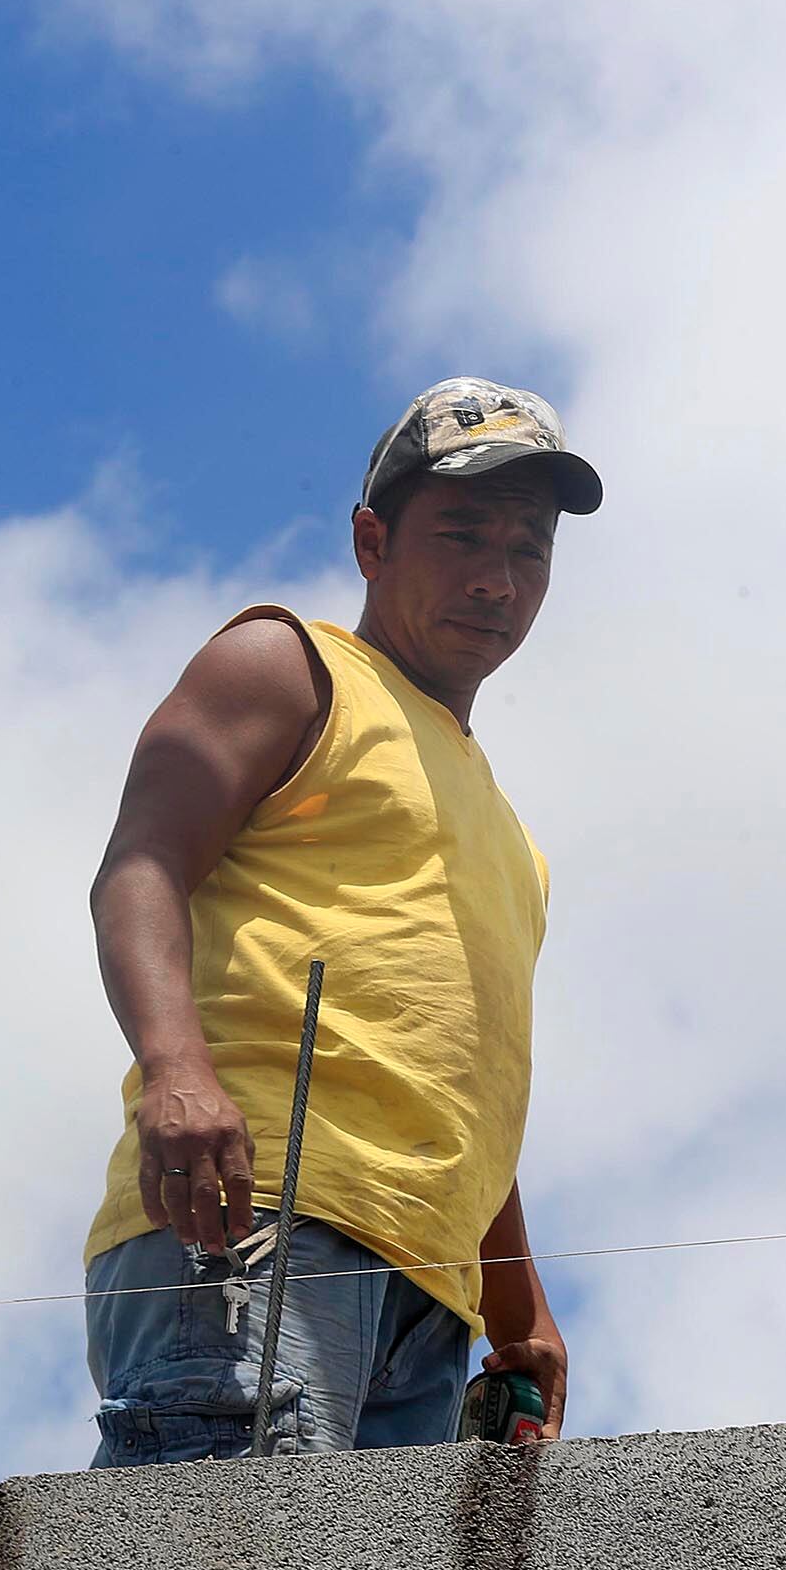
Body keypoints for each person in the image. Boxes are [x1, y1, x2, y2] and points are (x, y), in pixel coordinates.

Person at [79, 378, 601, 1463]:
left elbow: (457, 1081)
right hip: (258, 1223)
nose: (496, 579)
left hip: (429, 1299)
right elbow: (139, 865)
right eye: (461, 534)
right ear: (372, 541)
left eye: (529, 550)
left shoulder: (511, 836)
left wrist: (518, 1309)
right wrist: (176, 1065)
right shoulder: (287, 667)